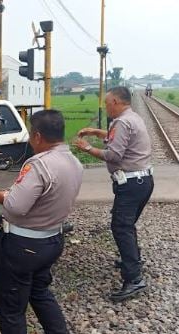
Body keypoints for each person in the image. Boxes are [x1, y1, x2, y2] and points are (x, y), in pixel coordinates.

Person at [0, 110, 83, 334]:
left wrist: (5, 197)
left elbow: (16, 207)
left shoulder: (38, 165)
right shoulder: (74, 162)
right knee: (39, 292)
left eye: (32, 135)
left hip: (23, 247)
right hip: (52, 239)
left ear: (39, 136)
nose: (31, 140)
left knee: (11, 310)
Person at [75, 86, 153, 302]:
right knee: (126, 225)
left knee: (120, 226)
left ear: (117, 102)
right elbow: (119, 140)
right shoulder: (132, 117)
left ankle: (134, 278)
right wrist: (95, 132)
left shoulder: (121, 122)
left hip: (131, 184)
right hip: (143, 181)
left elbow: (114, 155)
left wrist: (87, 148)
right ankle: (133, 259)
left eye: (107, 102)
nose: (105, 106)